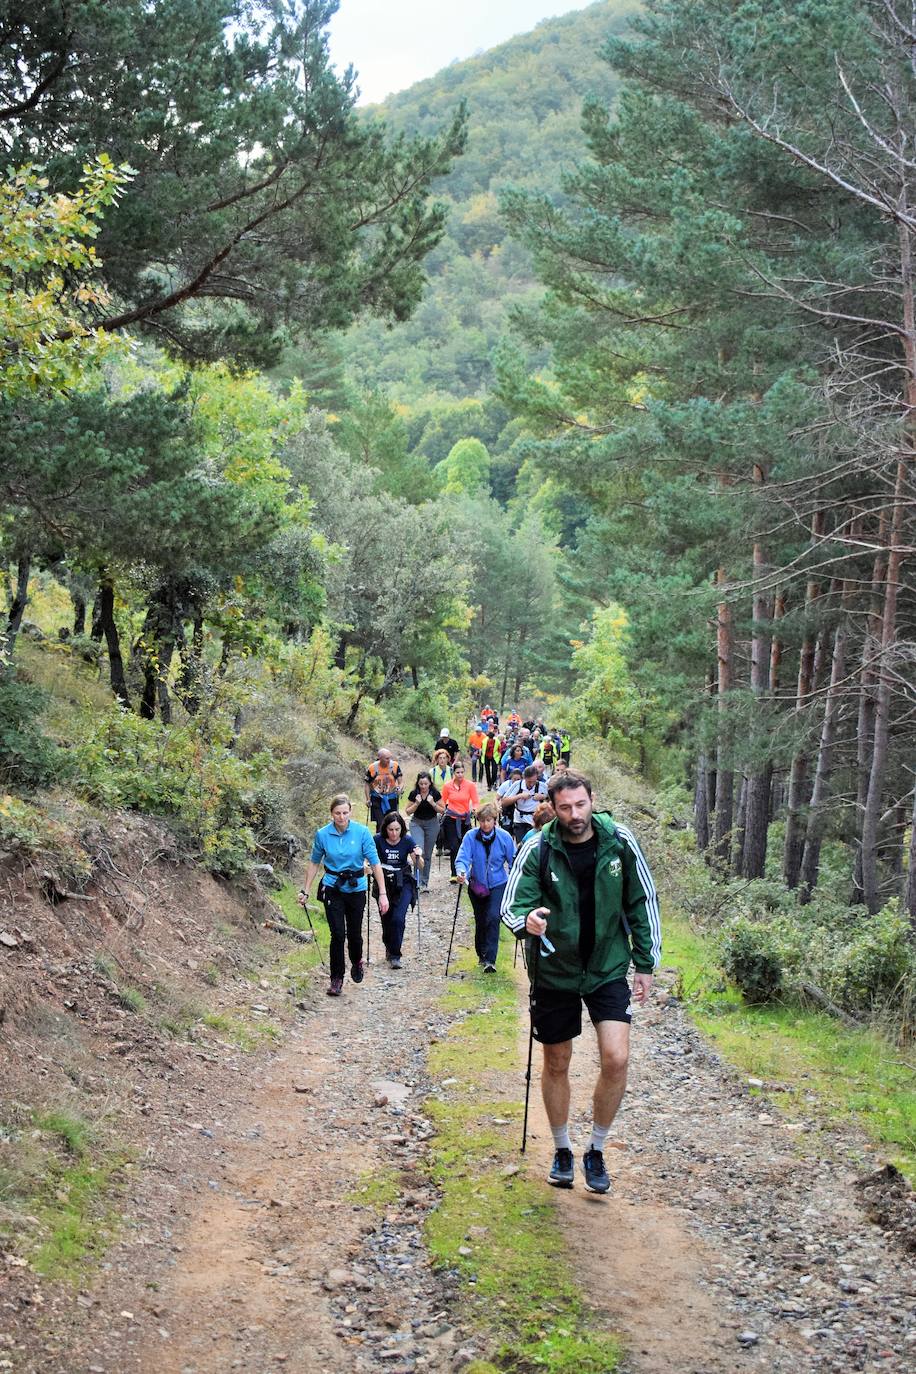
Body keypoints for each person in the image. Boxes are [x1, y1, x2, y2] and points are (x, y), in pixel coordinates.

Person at [501, 770, 660, 1194]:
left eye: (581, 805)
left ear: (593, 800)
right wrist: (527, 921)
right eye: (566, 807)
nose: (575, 815)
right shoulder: (538, 847)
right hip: (555, 970)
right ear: (553, 807)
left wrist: (645, 963)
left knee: (616, 1058)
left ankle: (597, 1148)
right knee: (557, 1061)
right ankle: (562, 1148)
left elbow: (642, 900)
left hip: (607, 965)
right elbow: (512, 904)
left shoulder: (619, 840)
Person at [300, 794, 389, 997]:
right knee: (337, 934)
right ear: (331, 814)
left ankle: (357, 960)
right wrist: (305, 890)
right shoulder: (322, 834)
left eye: (345, 813)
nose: (341, 817)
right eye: (337, 813)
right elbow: (314, 863)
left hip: (356, 887)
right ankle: (336, 978)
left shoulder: (362, 832)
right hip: (333, 887)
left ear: (350, 812)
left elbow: (375, 863)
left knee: (354, 935)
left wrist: (382, 893)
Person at [455, 804, 515, 972]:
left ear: (495, 821)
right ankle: (481, 954)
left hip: (498, 885)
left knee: (493, 917)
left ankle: (490, 960)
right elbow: (463, 858)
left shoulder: (504, 837)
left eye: (488, 820)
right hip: (477, 886)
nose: (485, 824)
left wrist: (513, 881)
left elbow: (513, 861)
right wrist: (461, 872)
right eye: (482, 821)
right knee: (481, 920)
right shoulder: (470, 837)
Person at [373, 812, 417, 969]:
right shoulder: (377, 840)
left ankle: (395, 955)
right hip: (383, 882)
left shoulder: (407, 840)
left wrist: (418, 856)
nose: (394, 833)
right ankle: (389, 945)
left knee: (398, 918)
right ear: (385, 828)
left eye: (397, 829)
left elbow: (420, 865)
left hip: (403, 881)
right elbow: (369, 858)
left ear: (402, 829)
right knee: (387, 919)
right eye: (390, 829)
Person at [404, 770, 444, 892]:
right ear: (418, 783)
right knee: (418, 852)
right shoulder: (414, 793)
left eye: (425, 784)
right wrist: (416, 803)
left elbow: (442, 810)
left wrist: (433, 804)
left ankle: (424, 882)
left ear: (430, 783)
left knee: (427, 854)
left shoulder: (435, 793)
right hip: (417, 823)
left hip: (432, 823)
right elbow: (407, 811)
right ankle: (416, 880)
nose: (423, 786)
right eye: (421, 784)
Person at [440, 758, 479, 881]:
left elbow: (476, 801)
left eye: (462, 772)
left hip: (465, 819)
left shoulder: (470, 785)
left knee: (466, 844)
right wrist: (441, 811)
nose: (460, 775)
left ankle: (465, 871)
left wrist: (475, 809)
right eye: (458, 772)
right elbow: (442, 801)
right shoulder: (447, 786)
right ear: (453, 773)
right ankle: (454, 873)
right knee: (454, 846)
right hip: (451, 819)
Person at [499, 763, 549, 845]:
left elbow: (552, 800)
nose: (531, 784)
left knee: (536, 844)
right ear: (524, 778)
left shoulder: (542, 786)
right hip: (520, 820)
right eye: (529, 782)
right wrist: (519, 796)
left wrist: (543, 797)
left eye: (534, 781)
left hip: (535, 820)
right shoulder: (517, 785)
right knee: (521, 844)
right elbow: (504, 802)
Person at [364, 748, 403, 830]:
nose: (389, 760)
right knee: (380, 822)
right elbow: (367, 784)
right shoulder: (372, 768)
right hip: (376, 798)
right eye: (387, 758)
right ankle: (379, 841)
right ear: (380, 758)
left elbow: (401, 782)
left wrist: (399, 788)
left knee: (391, 822)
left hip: (391, 798)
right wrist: (368, 799)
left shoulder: (395, 766)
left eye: (390, 757)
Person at [482, 722, 503, 790]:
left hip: (494, 757)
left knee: (494, 771)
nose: (490, 739)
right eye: (489, 738)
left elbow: (499, 750)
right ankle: (489, 785)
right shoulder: (484, 741)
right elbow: (482, 749)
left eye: (492, 738)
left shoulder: (497, 741)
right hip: (486, 757)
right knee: (487, 771)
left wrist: (499, 757)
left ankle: (494, 783)